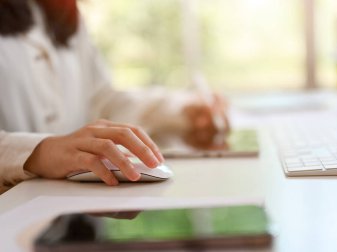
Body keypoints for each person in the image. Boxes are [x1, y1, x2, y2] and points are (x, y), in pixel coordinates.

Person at [0, 0, 228, 193]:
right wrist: (40, 152)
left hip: (68, 200)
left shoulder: (63, 11)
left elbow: (101, 101)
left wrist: (180, 111)